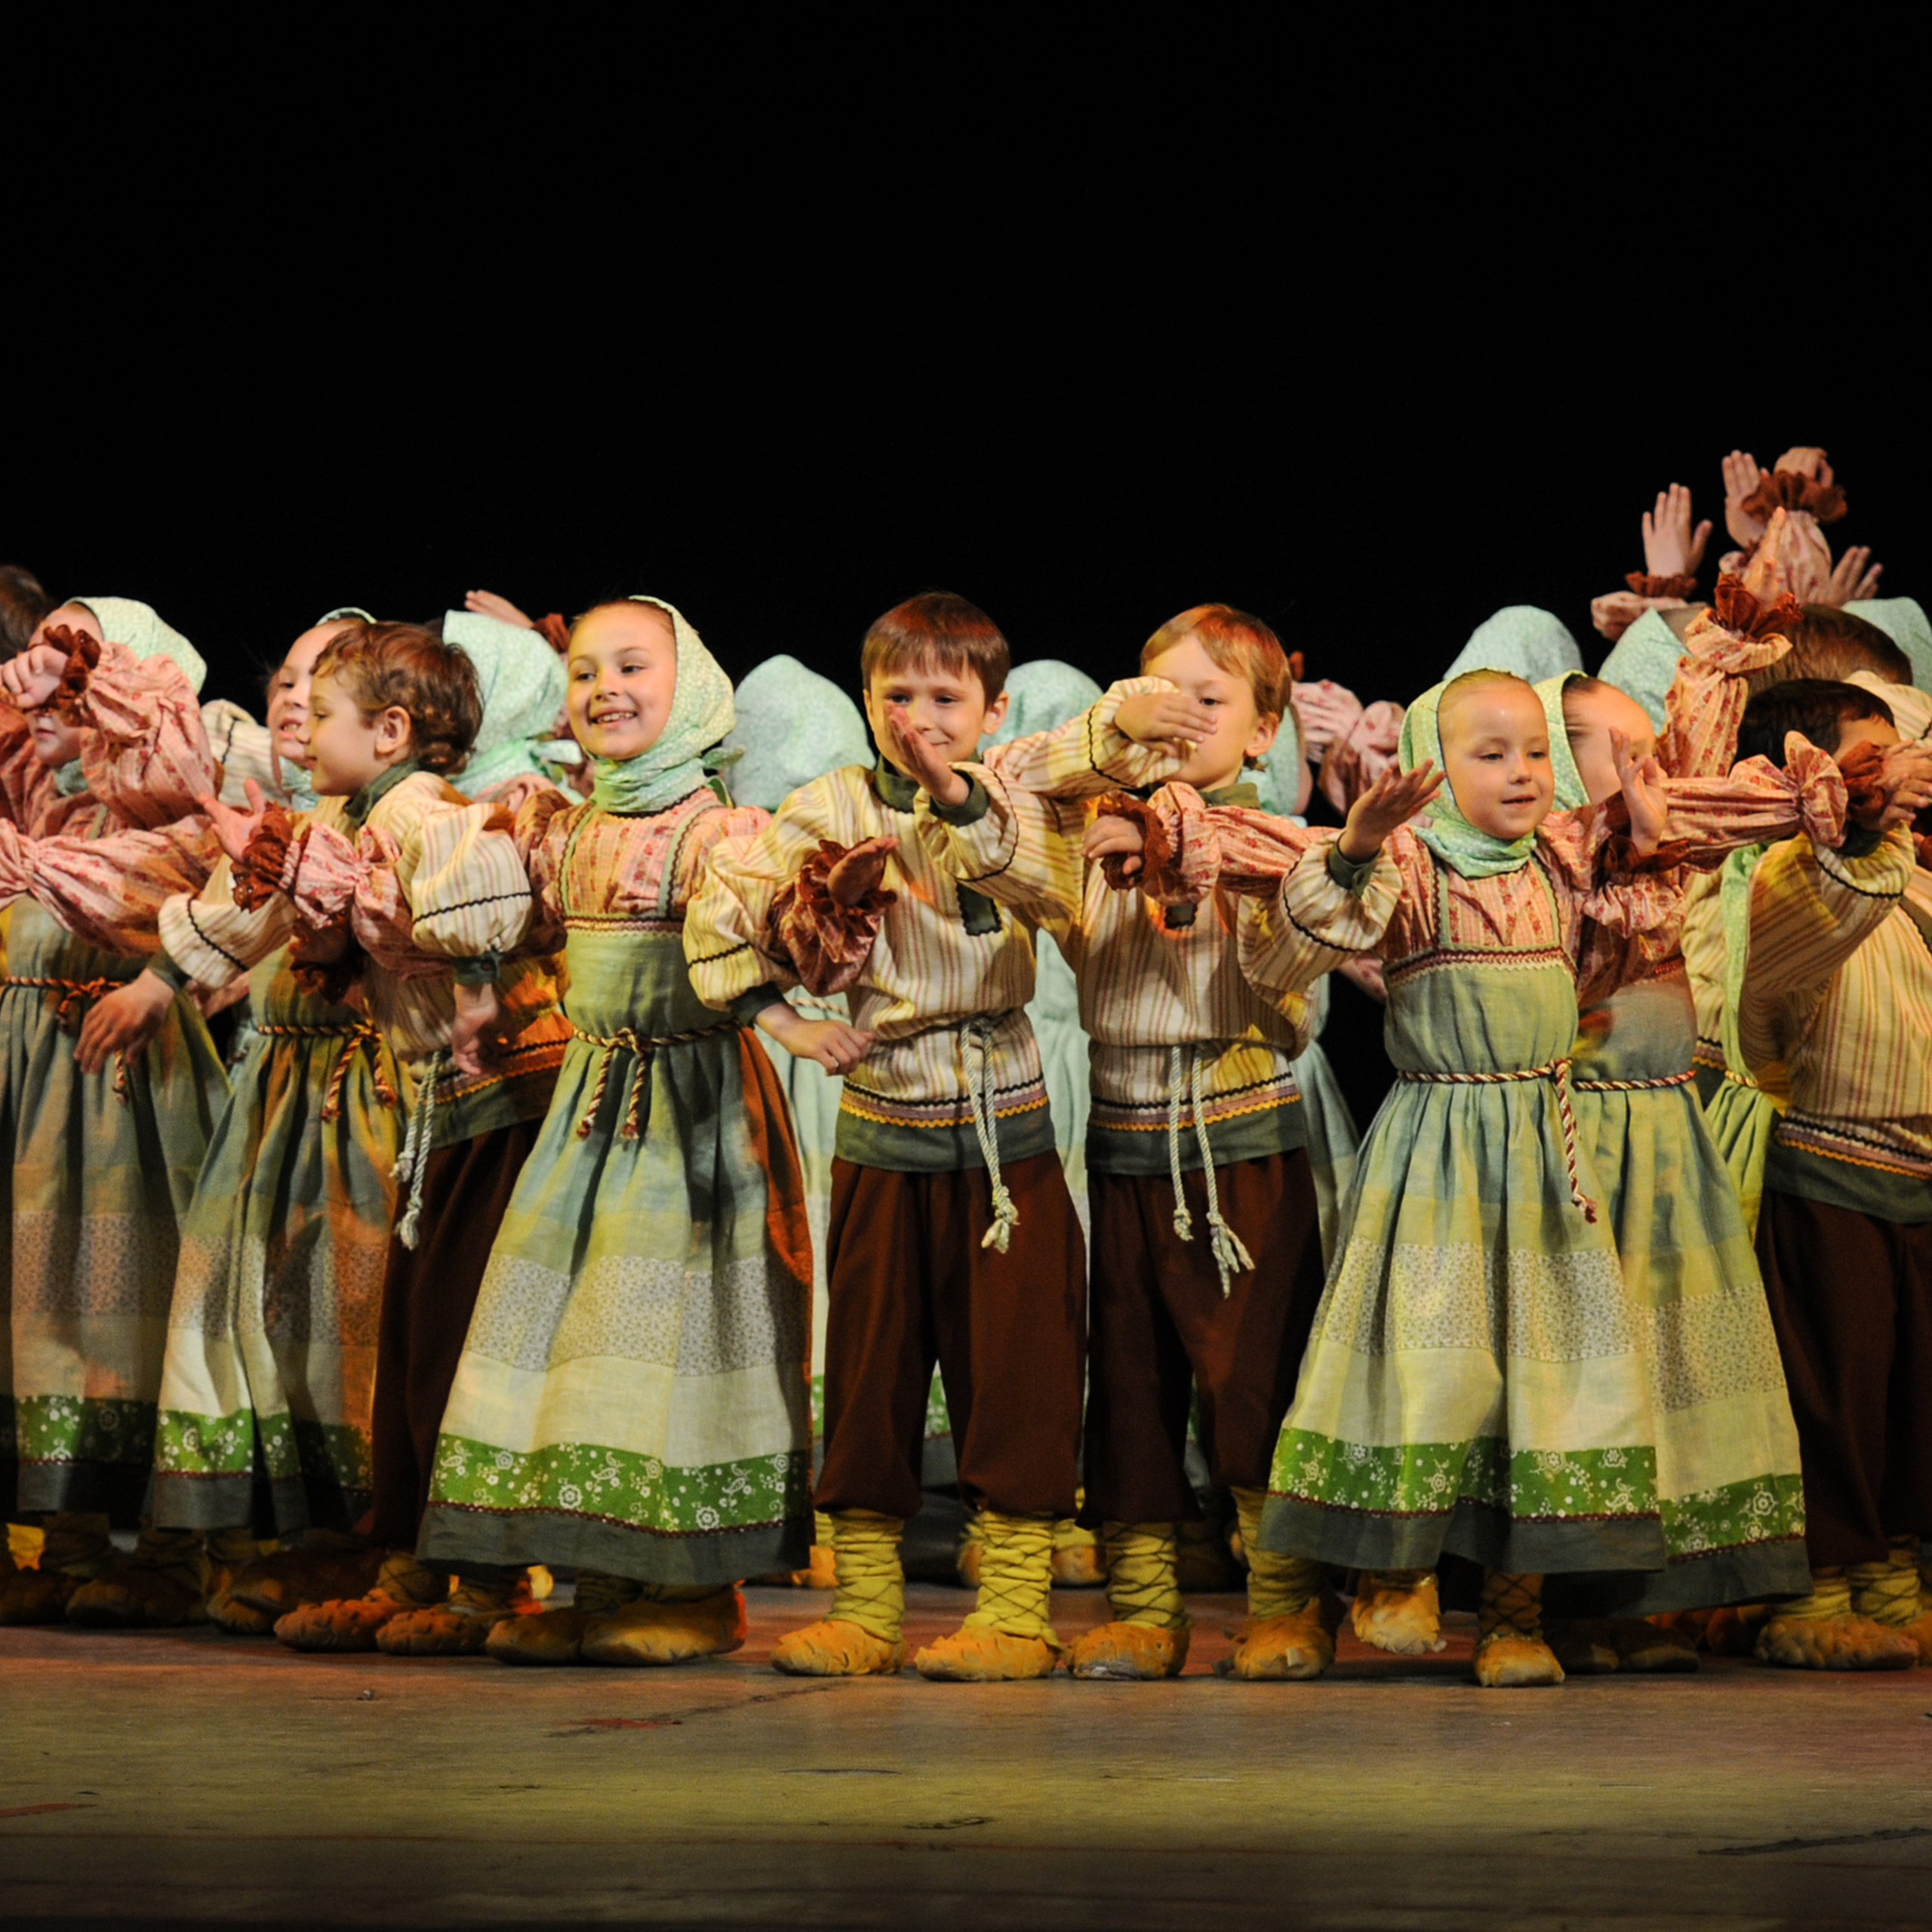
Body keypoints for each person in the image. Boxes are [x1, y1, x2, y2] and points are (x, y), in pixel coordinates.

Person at [1238, 666, 1844, 1686]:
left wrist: (1652, 829)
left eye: (1533, 752)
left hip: (1542, 1157)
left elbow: (1644, 912)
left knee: (1546, 1391)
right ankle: (1317, 1598)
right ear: (1434, 766)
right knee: (1404, 1374)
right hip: (1437, 1154)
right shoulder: (1411, 868)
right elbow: (1292, 955)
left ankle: (1514, 1618)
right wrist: (1353, 847)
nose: (1522, 772)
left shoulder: (1563, 867)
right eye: (1491, 754)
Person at [687, 591, 1178, 1681]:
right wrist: (787, 1020)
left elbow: (1054, 849)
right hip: (884, 1117)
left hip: (1007, 1123)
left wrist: (974, 788)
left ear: (992, 710)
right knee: (870, 1368)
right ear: (866, 702)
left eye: (947, 698)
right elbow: (724, 912)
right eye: (897, 695)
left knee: (1019, 1365)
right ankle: (867, 1611)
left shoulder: (1016, 792)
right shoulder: (828, 804)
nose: (919, 717)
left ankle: (1015, 1612)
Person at [910, 603, 1337, 1680]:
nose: (1183, 717)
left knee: (1253, 1376)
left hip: (1238, 1137)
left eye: (1210, 699)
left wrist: (1186, 853)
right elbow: (1004, 830)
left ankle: (1285, 1600)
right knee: (1135, 1383)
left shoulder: (1285, 846)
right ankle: (1147, 1608)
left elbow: (1302, 957)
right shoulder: (1089, 831)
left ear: (1264, 732)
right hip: (1124, 1134)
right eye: (1161, 697)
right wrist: (1078, 764)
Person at [404, 595, 814, 1669]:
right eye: (584, 673)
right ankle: (598, 1583)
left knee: (670, 1337)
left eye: (633, 667)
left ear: (692, 687)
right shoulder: (573, 826)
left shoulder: (719, 833)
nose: (605, 690)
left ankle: (694, 1591)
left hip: (692, 1109)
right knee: (569, 1338)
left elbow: (760, 947)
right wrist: (480, 999)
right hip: (589, 1108)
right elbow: (526, 928)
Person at [199, 620, 571, 1654]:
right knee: (417, 1340)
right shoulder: (367, 815)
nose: (304, 728)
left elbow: (491, 895)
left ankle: (486, 1582)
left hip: (502, 1099)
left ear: (392, 730)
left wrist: (478, 993)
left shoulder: (417, 808)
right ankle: (416, 1559)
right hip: (446, 1106)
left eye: (322, 713)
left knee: (462, 1343)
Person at [0, 605, 228, 1623]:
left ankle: (171, 1552)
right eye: (43, 663)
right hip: (26, 1076)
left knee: (119, 1301)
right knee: (34, 1307)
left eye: (82, 671)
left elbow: (178, 901)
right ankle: (67, 1541)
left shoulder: (170, 820)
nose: (52, 688)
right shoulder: (46, 809)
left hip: (118, 1087)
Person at [1730, 678, 1932, 1669]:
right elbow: (1820, 923)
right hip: (1826, 1163)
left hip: (1916, 1171)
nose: (1897, 776)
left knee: (1907, 1395)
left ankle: (1890, 1577)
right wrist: (1858, 826)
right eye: (1869, 758)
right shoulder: (1790, 875)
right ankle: (1810, 1591)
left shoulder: (1907, 875)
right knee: (1832, 1394)